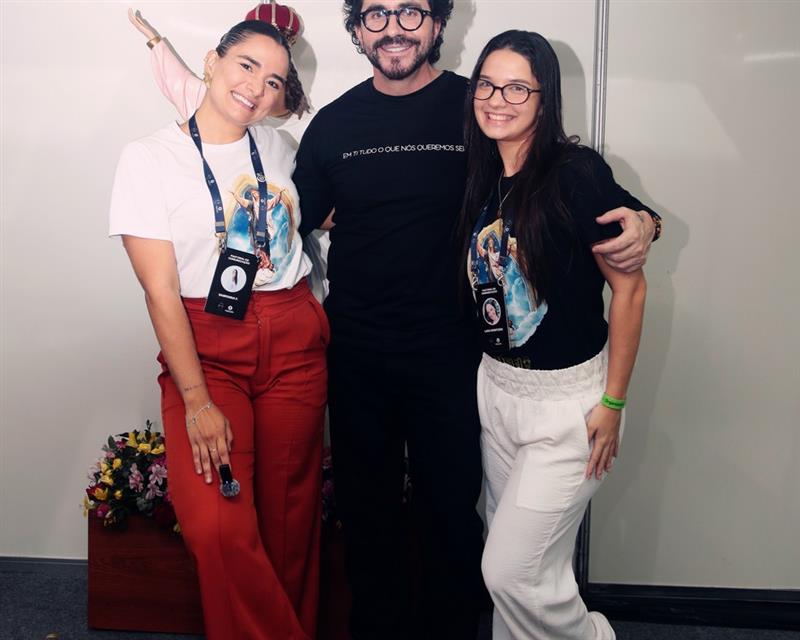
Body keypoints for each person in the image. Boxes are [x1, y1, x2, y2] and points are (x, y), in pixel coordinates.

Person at [134, 2, 660, 638]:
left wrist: (643, 220)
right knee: (367, 517)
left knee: (451, 517)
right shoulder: (333, 125)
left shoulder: (479, 107)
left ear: (437, 24)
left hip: (457, 356)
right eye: (375, 14)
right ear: (357, 30)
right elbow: (291, 217)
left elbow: (572, 181)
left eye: (410, 12)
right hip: (357, 354)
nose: (393, 29)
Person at [109, 19, 326, 640]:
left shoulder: (282, 149)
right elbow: (159, 292)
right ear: (211, 61)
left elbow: (323, 218)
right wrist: (197, 400)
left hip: (293, 340)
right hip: (207, 349)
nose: (257, 86)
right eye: (247, 65)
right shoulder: (148, 158)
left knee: (288, 524)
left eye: (275, 80)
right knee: (217, 525)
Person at [459, 30, 649, 639]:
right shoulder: (484, 172)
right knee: (530, 568)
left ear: (545, 98)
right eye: (488, 85)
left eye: (518, 88)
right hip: (497, 391)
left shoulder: (574, 172)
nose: (498, 100)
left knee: (510, 573)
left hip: (569, 406)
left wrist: (613, 403)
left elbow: (630, 288)